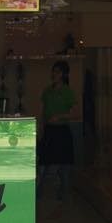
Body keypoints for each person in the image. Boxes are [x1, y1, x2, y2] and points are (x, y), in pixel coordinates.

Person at [37, 60, 79, 202]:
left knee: (64, 166)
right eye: (53, 71)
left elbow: (76, 114)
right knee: (43, 165)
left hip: (62, 131)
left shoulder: (67, 91)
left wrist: (60, 116)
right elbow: (43, 113)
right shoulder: (47, 91)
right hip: (49, 131)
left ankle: (64, 195)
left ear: (64, 74)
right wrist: (41, 129)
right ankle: (37, 194)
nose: (54, 74)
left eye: (58, 72)